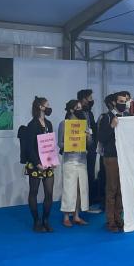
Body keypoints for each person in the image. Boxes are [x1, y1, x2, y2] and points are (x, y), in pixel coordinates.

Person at [19, 96, 56, 233]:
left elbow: (50, 144)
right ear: (40, 107)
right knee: (33, 192)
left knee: (49, 193)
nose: (49, 107)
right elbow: (30, 148)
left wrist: (53, 160)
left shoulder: (49, 123)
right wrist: (37, 163)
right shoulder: (32, 124)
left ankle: (46, 220)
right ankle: (36, 221)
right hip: (35, 163)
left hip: (47, 163)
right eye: (47, 104)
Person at [98, 91, 129, 232]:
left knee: (122, 190)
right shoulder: (106, 117)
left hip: (125, 157)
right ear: (115, 102)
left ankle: (119, 217)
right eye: (121, 101)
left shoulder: (128, 117)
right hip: (111, 157)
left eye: (125, 101)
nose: (124, 104)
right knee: (112, 189)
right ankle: (110, 220)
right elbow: (102, 138)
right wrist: (111, 126)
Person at [57, 100, 90, 228]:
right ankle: (66, 216)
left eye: (81, 108)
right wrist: (69, 145)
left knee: (80, 188)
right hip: (69, 160)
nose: (80, 110)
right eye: (78, 108)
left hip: (82, 160)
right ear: (71, 110)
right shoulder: (64, 124)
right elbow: (59, 144)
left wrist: (88, 137)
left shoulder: (84, 125)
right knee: (69, 188)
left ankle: (76, 215)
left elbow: (90, 143)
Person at [77, 88, 102, 211]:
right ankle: (79, 203)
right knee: (80, 177)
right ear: (83, 99)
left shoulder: (90, 113)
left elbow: (94, 129)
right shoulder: (76, 113)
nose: (92, 101)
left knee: (90, 174)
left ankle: (89, 201)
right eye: (90, 98)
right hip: (79, 150)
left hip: (91, 149)